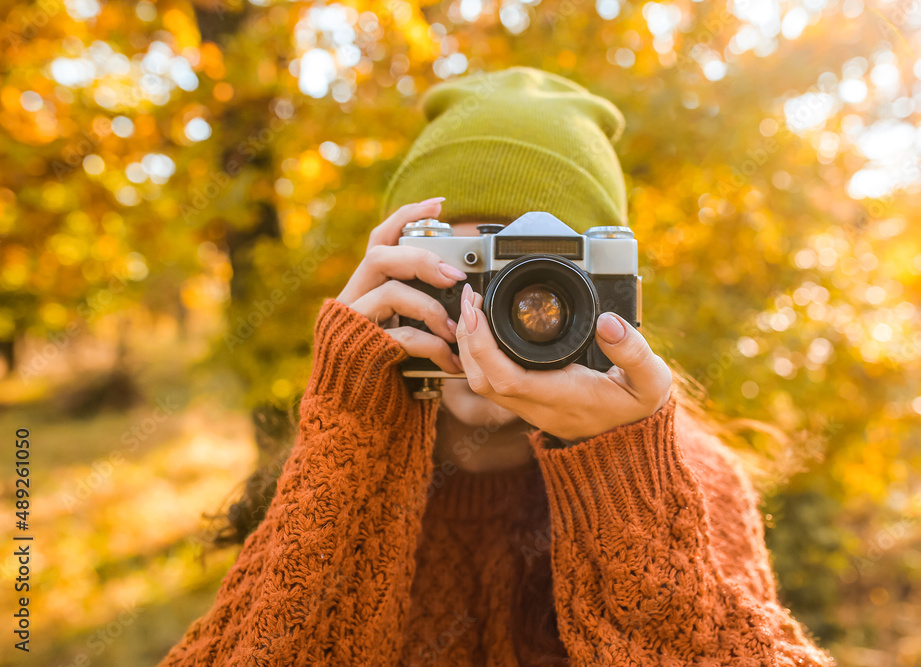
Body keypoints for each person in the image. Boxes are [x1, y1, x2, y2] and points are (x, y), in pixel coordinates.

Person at [159, 67, 834, 666]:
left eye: (533, 285)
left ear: (605, 295)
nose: (487, 317)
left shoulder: (688, 482)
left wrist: (625, 486)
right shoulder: (338, 473)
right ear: (393, 277)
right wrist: (347, 432)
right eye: (458, 274)